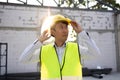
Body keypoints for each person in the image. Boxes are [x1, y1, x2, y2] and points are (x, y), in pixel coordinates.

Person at [19, 14, 100, 80]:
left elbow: (96, 54)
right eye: (61, 27)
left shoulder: (76, 48)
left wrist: (82, 33)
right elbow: (23, 59)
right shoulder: (43, 51)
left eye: (66, 27)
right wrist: (39, 41)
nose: (65, 30)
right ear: (52, 32)